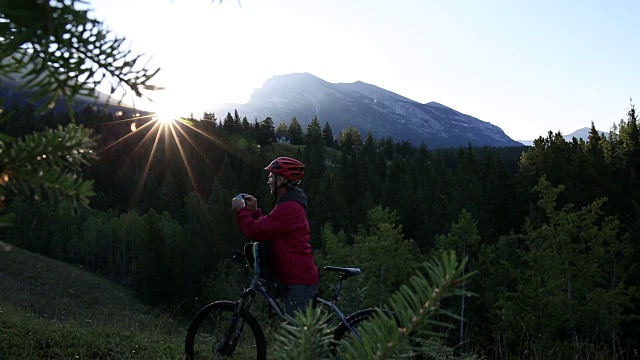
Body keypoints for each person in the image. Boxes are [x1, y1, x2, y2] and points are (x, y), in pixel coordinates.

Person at [231, 156, 319, 318]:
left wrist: (241, 211)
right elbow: (269, 229)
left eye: (272, 177)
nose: (269, 181)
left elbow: (254, 231)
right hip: (296, 279)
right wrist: (255, 211)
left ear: (282, 180)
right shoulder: (289, 205)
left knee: (297, 339)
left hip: (297, 281)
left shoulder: (289, 208)